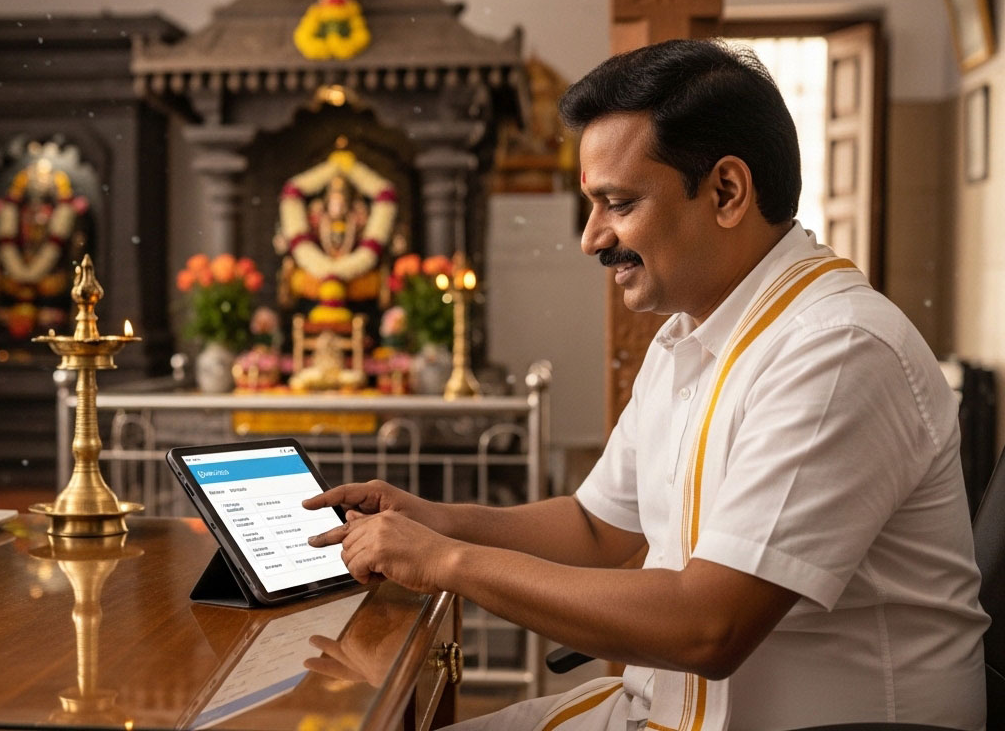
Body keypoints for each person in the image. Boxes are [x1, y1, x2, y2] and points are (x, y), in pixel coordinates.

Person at [304, 39, 988, 730]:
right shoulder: (690, 335)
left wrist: (446, 560)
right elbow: (595, 527)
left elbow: (707, 628)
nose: (592, 238)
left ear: (726, 191)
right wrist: (432, 518)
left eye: (618, 203)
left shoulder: (836, 349)